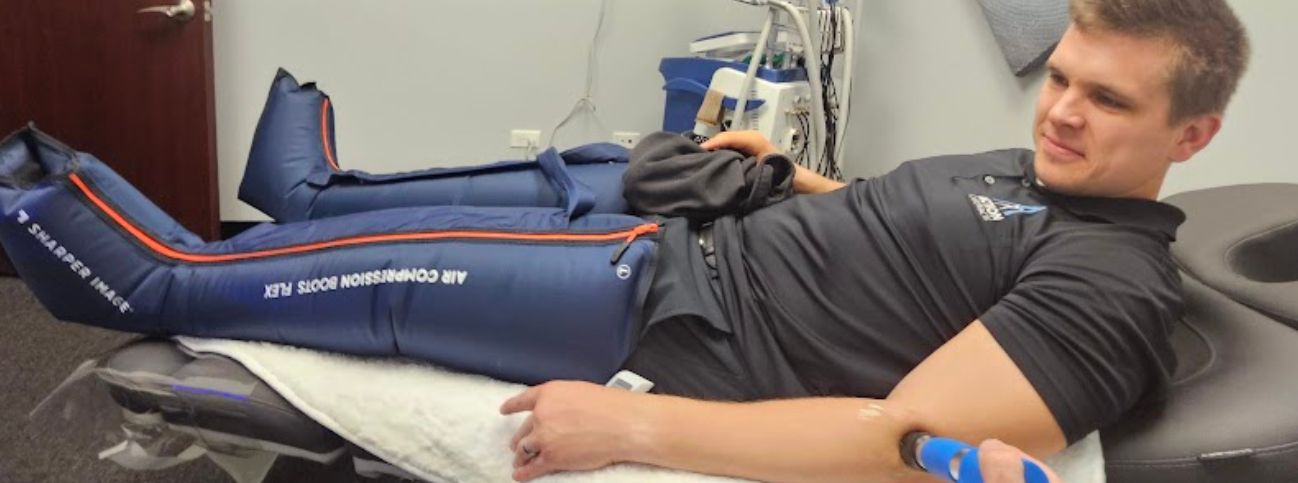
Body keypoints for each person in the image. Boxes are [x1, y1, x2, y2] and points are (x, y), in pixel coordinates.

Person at [499, 0, 1250, 481]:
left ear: (1191, 134)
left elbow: (897, 443)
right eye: (1060, 80)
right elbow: (897, 214)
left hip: (667, 296)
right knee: (383, 195)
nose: (1060, 113)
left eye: (1107, 99)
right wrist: (793, 176)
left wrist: (629, 424)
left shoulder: (1112, 282)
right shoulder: (1037, 175)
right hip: (695, 214)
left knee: (383, 260)